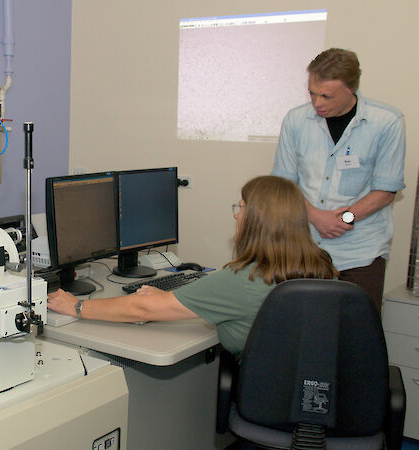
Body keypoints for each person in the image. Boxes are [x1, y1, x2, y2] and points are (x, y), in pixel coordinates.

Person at [47, 176, 338, 355]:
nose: (237, 216)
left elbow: (143, 310)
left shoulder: (243, 280)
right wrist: (166, 299)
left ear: (260, 222)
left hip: (270, 396)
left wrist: (76, 307)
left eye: (242, 208)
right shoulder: (321, 265)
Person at [272, 48, 406, 311]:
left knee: (354, 338)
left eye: (326, 96)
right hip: (304, 249)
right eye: (312, 93)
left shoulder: (386, 122)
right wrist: (316, 217)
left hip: (360, 253)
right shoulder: (296, 120)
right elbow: (284, 183)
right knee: (303, 333)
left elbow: (386, 190)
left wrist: (344, 219)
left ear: (350, 90)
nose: (317, 102)